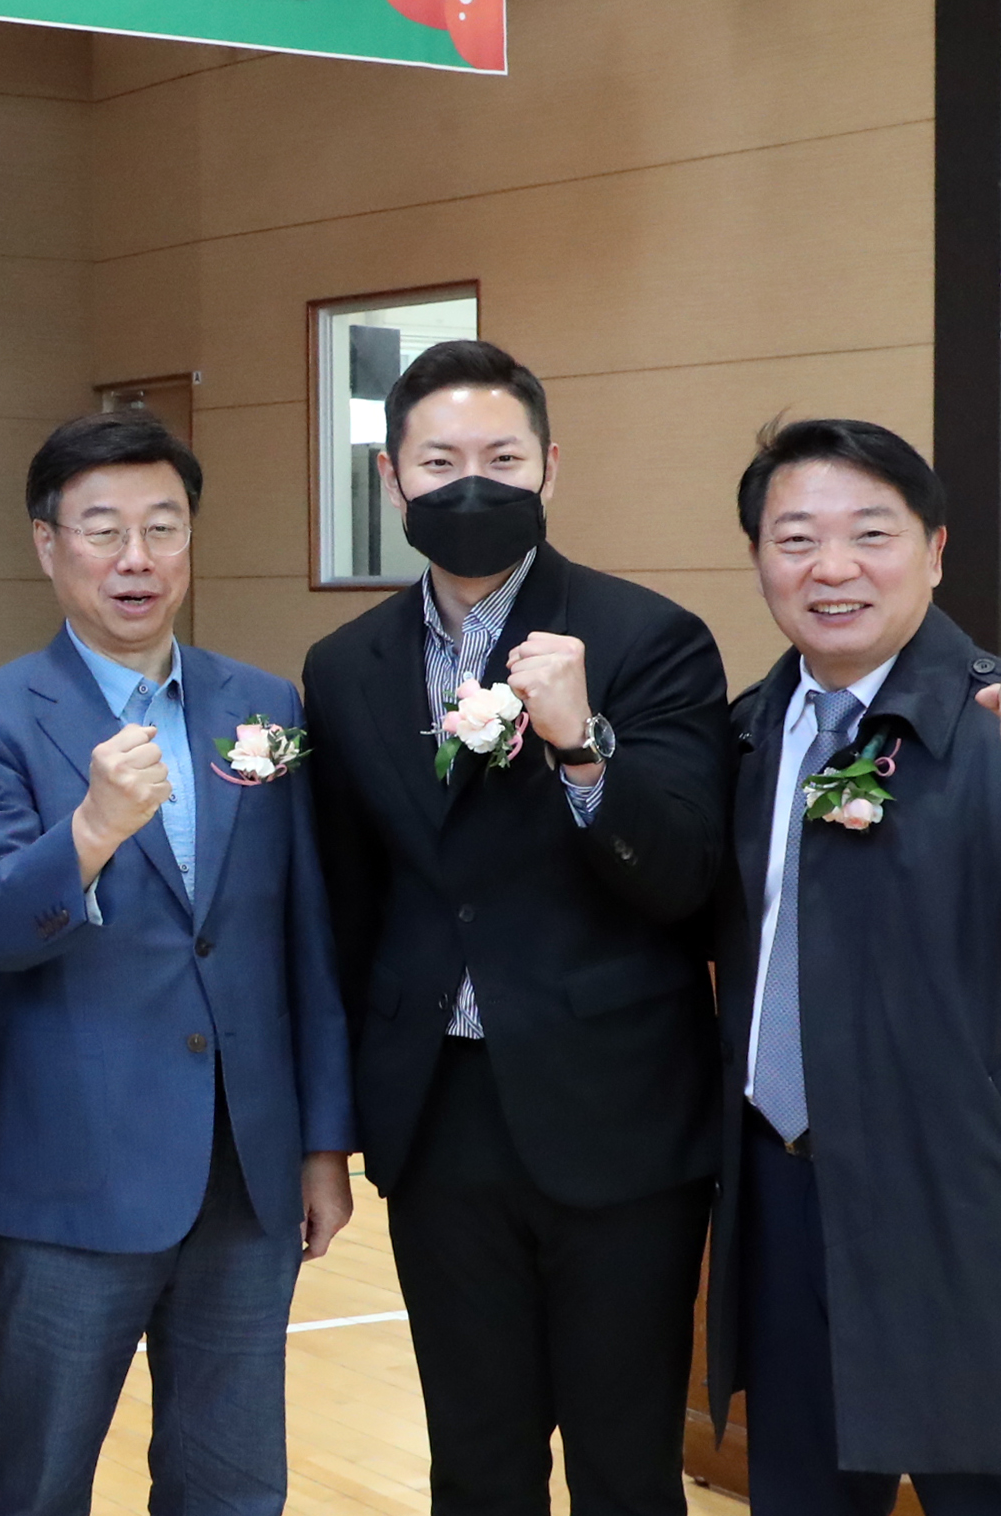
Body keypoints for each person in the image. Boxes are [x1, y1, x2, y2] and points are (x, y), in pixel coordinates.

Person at [705, 418, 1001, 1516]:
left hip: (951, 1191)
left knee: (998, 1494)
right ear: (760, 559)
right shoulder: (745, 733)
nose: (831, 568)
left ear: (935, 549)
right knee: (802, 1494)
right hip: (780, 1178)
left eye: (871, 533)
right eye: (794, 538)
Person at [300, 339, 731, 1516]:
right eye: (439, 460)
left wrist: (585, 745)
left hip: (617, 1112)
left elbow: (686, 876)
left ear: (550, 468)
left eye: (501, 456)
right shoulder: (342, 669)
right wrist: (327, 1131)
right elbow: (346, 909)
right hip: (436, 1117)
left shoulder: (647, 638)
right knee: (475, 1459)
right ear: (390, 480)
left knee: (622, 1457)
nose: (470, 484)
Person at [0, 410, 356, 1516]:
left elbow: (297, 936)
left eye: (162, 527)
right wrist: (86, 831)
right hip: (72, 1175)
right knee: (40, 1482)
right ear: (46, 544)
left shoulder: (259, 706)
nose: (135, 557)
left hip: (243, 1171)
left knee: (233, 1485)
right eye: (103, 528)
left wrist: (320, 1144)